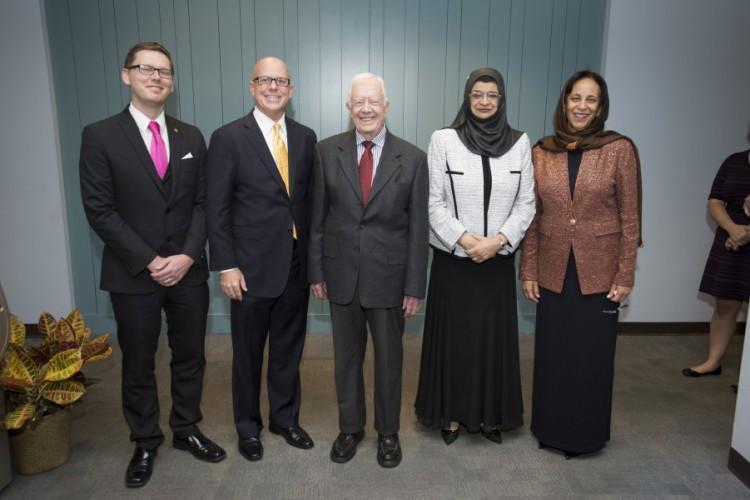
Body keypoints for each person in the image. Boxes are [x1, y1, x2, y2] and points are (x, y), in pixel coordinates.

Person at [79, 41, 225, 488]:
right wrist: (150, 260)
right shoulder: (100, 135)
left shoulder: (191, 136)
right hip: (132, 274)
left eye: (164, 71)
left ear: (172, 82)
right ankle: (145, 439)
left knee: (191, 357)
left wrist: (184, 255)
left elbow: (204, 203)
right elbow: (100, 210)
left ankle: (186, 428)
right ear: (127, 75)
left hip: (188, 272)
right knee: (139, 361)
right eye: (146, 69)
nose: (156, 77)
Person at [309, 73, 428, 468]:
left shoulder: (411, 158)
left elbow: (417, 229)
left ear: (386, 106)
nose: (365, 108)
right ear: (348, 108)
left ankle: (388, 433)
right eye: (358, 102)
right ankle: (350, 428)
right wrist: (316, 272)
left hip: (390, 280)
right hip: (340, 275)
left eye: (373, 101)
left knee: (389, 361)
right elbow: (317, 220)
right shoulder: (326, 152)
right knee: (345, 359)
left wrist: (414, 286)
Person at [519, 69, 641, 458]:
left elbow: (630, 218)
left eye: (591, 100)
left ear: (601, 107)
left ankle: (586, 435)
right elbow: (533, 216)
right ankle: (550, 428)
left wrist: (625, 275)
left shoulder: (619, 148)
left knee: (591, 357)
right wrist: (529, 269)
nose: (582, 106)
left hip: (600, 273)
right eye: (576, 98)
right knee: (554, 354)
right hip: (554, 270)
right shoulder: (542, 151)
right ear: (564, 101)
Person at [414, 67, 535, 445]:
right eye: (477, 95)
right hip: (455, 262)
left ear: (502, 100)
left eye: (492, 95)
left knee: (492, 342)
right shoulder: (444, 140)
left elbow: (526, 202)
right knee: (456, 341)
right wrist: (467, 241)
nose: (484, 102)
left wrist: (497, 241)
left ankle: (490, 416)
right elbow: (432, 202)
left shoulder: (519, 142)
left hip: (496, 262)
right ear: (467, 99)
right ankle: (450, 414)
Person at [206, 57, 317, 462]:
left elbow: (306, 204)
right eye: (265, 80)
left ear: (290, 88)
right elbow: (216, 208)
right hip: (248, 269)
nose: (273, 87)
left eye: (281, 81)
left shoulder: (305, 137)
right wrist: (226, 265)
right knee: (248, 354)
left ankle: (284, 419)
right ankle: (247, 427)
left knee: (289, 348)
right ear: (252, 87)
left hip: (295, 264)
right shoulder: (228, 137)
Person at [683, 151, 750, 377]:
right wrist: (733, 230)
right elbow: (715, 201)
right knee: (725, 306)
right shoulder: (734, 161)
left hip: (740, 238)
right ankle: (713, 362)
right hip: (731, 241)